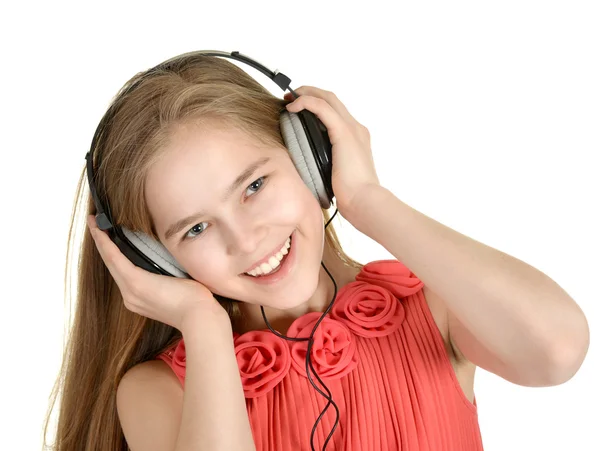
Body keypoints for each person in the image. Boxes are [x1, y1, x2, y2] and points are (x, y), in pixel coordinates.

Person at [43, 52, 589, 451]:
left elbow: (557, 349)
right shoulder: (162, 391)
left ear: (312, 159)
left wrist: (370, 201)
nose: (246, 238)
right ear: (151, 259)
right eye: (196, 229)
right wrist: (202, 327)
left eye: (254, 186)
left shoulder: (434, 308)